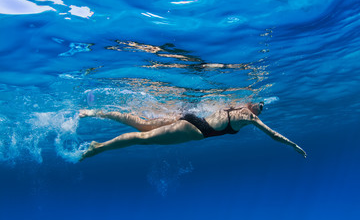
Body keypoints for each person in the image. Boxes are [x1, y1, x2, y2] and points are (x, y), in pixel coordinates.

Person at [79, 102, 306, 161]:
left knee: (141, 123)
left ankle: (93, 112)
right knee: (144, 138)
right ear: (253, 108)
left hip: (190, 118)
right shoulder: (250, 117)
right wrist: (293, 145)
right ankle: (98, 148)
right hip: (196, 129)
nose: (260, 109)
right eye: (260, 106)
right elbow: (273, 134)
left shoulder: (236, 105)